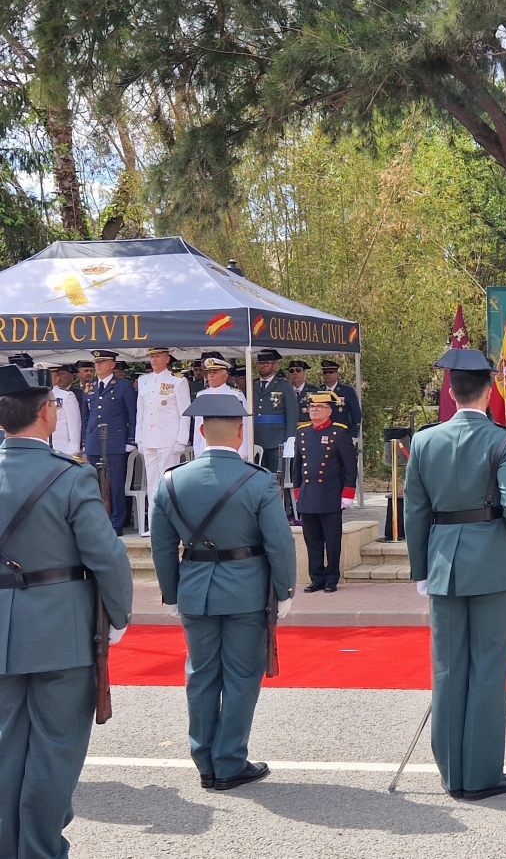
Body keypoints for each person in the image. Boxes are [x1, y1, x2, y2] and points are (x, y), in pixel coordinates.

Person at [0, 363, 133, 859]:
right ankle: (39, 849)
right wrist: (118, 617)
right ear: (43, 412)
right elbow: (108, 557)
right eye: (54, 403)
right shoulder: (70, 476)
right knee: (56, 749)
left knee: (5, 747)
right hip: (60, 630)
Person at [149, 392, 296, 791]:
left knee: (200, 675)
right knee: (242, 676)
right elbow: (279, 543)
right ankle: (229, 761)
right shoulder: (259, 480)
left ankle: (205, 761)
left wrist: (172, 592)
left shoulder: (170, 481)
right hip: (247, 590)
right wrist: (284, 589)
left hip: (195, 589)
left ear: (199, 431)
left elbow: (161, 546)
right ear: (240, 432)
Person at [405, 348, 506, 801]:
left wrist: (421, 569)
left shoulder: (425, 440)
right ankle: (479, 776)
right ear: (490, 389)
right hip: (491, 561)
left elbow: (414, 512)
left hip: (442, 562)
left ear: (450, 391)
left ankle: (452, 772)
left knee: (448, 667)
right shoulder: (504, 439)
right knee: (488, 668)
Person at [294, 391, 356, 593]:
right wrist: (297, 491)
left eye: (319, 407)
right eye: (312, 407)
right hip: (308, 494)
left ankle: (331, 577)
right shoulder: (303, 432)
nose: (314, 410)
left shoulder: (339, 433)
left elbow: (349, 466)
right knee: (312, 541)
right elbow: (297, 466)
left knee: (332, 541)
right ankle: (316, 577)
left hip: (330, 494)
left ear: (329, 411)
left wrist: (347, 493)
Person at [135, 348, 192, 534]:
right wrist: (139, 439)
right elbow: (141, 413)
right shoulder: (144, 381)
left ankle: (170, 525)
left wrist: (181, 440)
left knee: (168, 484)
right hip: (149, 438)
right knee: (151, 483)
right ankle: (154, 525)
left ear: (167, 359)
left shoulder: (177, 381)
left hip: (168, 438)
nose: (154, 360)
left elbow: (185, 413)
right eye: (151, 356)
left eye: (158, 356)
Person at [83, 349, 138, 534]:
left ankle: (116, 521)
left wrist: (131, 439)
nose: (98, 365)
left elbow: (133, 414)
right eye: (96, 362)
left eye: (103, 362)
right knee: (93, 482)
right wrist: (85, 438)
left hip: (115, 439)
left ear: (112, 365)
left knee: (115, 483)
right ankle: (98, 519)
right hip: (93, 439)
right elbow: (86, 416)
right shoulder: (89, 386)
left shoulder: (122, 386)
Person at [192, 358, 250, 459]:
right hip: (206, 449)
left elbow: (244, 424)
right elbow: (198, 425)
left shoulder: (235, 395)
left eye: (215, 372)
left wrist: (242, 452)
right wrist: (197, 450)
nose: (211, 376)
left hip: (230, 449)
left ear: (225, 376)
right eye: (209, 373)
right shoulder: (201, 395)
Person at [252, 349, 299, 473]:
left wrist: (289, 440)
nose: (262, 366)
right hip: (256, 438)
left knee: (277, 476)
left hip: (277, 439)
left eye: (266, 363)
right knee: (257, 475)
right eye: (260, 363)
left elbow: (292, 414)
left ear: (275, 366)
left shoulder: (284, 386)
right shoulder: (252, 385)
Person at [47, 362, 83, 456]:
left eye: (47, 376)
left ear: (56, 378)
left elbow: (74, 426)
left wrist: (72, 452)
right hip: (41, 450)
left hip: (61, 449)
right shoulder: (35, 398)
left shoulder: (66, 396)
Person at [320, 360, 362, 439]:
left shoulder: (347, 391)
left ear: (337, 374)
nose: (328, 374)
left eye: (331, 372)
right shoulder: (318, 390)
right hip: (322, 433)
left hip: (342, 433)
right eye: (325, 372)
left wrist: (353, 435)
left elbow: (356, 414)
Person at [287, 359, 318, 423]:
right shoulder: (284, 390)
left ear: (304, 373)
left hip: (309, 429)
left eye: (298, 370)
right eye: (291, 371)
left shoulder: (315, 391)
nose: (295, 373)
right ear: (289, 374)